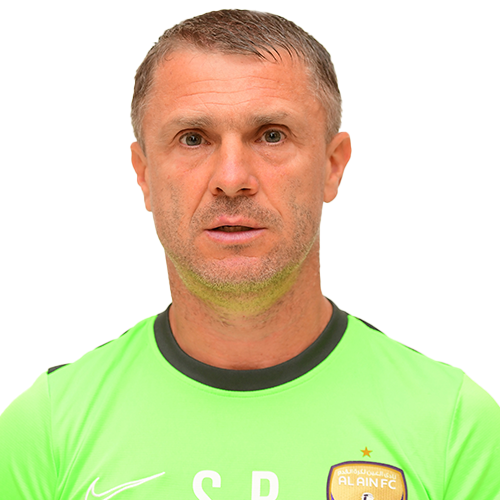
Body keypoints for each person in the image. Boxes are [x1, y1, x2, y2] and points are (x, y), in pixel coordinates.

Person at [1, 8, 499, 500]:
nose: (232, 178)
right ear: (144, 173)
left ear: (333, 165)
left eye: (271, 135)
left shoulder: (457, 426)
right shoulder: (45, 428)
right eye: (193, 139)